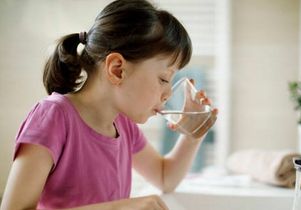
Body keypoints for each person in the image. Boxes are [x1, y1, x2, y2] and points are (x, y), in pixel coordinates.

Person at [0, 0, 217, 209]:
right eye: (163, 79)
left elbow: (164, 177)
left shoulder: (123, 124)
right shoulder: (54, 117)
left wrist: (192, 134)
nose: (168, 94)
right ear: (117, 69)